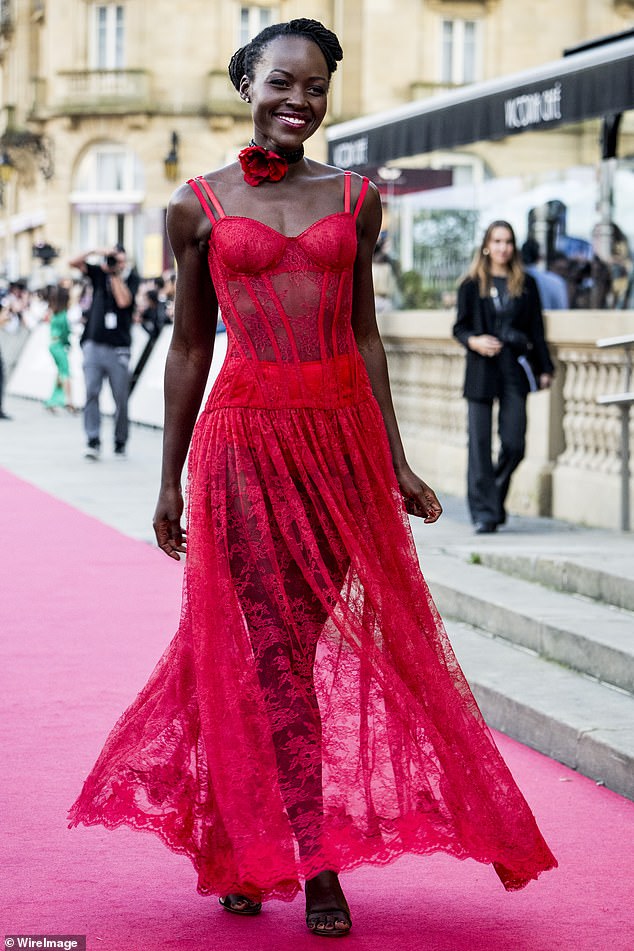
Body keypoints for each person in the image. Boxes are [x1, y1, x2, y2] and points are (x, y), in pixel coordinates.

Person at [68, 21, 556, 939]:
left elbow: (366, 334)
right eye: (284, 83)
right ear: (246, 82)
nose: (301, 101)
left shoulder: (360, 198)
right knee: (269, 655)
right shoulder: (196, 205)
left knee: (301, 643)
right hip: (243, 444)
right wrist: (167, 481)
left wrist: (396, 458)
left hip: (337, 448)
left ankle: (255, 845)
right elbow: (184, 348)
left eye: (318, 88)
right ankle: (308, 860)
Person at [454, 221, 555, 534]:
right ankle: (484, 513)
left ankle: (492, 498)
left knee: (514, 443)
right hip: (481, 368)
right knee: (479, 444)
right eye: (497, 241)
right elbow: (459, 327)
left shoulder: (526, 284)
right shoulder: (471, 284)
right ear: (487, 245)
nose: (503, 247)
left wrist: (545, 367)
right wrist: (475, 341)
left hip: (513, 367)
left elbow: (537, 329)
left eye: (508, 241)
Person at [68, 244, 139, 459]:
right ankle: (93, 439)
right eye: (113, 258)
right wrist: (95, 251)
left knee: (121, 397)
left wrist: (115, 275)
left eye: (118, 259)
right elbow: (72, 262)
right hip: (93, 343)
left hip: (119, 347)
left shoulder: (132, 278)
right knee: (91, 392)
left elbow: (124, 301)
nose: (115, 262)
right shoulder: (99, 273)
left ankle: (120, 441)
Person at [44, 283, 76, 413]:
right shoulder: (62, 314)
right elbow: (65, 333)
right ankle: (69, 401)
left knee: (59, 374)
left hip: (54, 345)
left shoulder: (54, 312)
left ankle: (53, 401)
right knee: (65, 373)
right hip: (59, 346)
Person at [520, 237, 569, 310]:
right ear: (539, 257)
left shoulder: (514, 280)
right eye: (559, 269)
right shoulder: (556, 282)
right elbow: (563, 310)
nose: (563, 272)